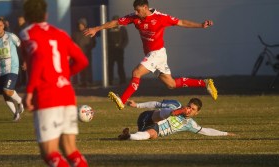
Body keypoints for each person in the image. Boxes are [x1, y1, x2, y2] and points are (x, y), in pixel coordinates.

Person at [84, 0, 218, 110]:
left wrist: (201, 25)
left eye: (138, 10)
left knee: (136, 72)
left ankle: (122, 99)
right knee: (171, 84)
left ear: (145, 7)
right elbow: (116, 22)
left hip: (157, 53)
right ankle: (204, 83)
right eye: (135, 10)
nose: (136, 13)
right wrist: (96, 28)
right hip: (154, 54)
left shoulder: (160, 18)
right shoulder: (135, 17)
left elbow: (181, 22)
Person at [20, 0, 89, 167]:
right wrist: (64, 76)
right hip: (66, 94)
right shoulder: (60, 33)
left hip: (46, 96)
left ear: (26, 16)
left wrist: (29, 91)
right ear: (46, 15)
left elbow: (38, 60)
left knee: (50, 153)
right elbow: (82, 60)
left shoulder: (27, 34)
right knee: (71, 151)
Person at [118, 98, 235, 140]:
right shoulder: (176, 104)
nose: (189, 110)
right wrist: (137, 105)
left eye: (192, 109)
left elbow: (206, 131)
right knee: (171, 109)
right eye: (188, 106)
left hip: (153, 128)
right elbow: (156, 104)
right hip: (148, 117)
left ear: (197, 113)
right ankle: (172, 113)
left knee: (152, 134)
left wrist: (225, 133)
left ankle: (129, 136)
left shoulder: (190, 124)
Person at [0, 16, 24, 121]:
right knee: (5, 94)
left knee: (7, 90)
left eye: (0, 26)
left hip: (12, 67)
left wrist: (24, 61)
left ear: (4, 26)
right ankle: (16, 114)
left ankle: (20, 101)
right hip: (0, 70)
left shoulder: (11, 36)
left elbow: (22, 46)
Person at [72, 17, 96, 87]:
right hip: (78, 54)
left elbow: (94, 42)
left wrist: (89, 48)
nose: (80, 26)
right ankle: (81, 82)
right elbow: (71, 43)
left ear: (84, 25)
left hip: (87, 53)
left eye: (81, 24)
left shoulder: (88, 32)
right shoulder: (75, 34)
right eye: (79, 24)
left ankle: (89, 81)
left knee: (88, 68)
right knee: (79, 68)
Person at [107, 15, 128, 86]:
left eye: (116, 21)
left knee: (120, 66)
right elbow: (106, 40)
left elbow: (126, 40)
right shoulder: (108, 30)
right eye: (114, 21)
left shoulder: (122, 29)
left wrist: (121, 47)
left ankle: (122, 81)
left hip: (119, 51)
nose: (115, 23)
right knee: (110, 67)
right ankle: (109, 81)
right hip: (111, 51)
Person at [14, 15, 27, 86]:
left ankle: (24, 83)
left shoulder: (26, 29)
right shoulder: (16, 28)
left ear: (24, 20)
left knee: (24, 68)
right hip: (17, 51)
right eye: (18, 20)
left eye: (21, 20)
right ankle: (19, 82)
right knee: (18, 68)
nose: (19, 22)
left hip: (24, 51)